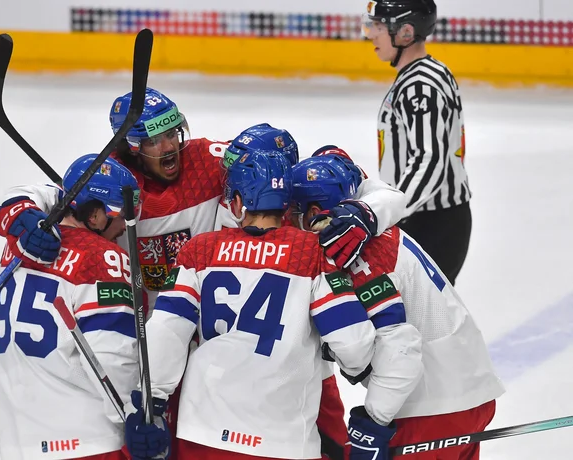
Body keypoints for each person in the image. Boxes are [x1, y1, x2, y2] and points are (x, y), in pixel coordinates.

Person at [124, 149, 377, 460]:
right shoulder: (311, 254)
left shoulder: (199, 251)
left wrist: (151, 402)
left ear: (240, 202)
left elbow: (167, 332)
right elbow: (354, 349)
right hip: (281, 442)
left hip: (202, 435)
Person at [292, 154, 505, 460]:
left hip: (430, 409)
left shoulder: (352, 253)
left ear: (314, 211)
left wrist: (373, 422)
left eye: (292, 212)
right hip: (466, 391)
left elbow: (401, 353)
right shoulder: (366, 225)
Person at [0, 155, 141, 460]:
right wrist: (136, 418)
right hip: (88, 441)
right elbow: (113, 357)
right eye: (121, 216)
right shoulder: (104, 258)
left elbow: (35, 195)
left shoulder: (17, 246)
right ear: (96, 216)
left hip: (18, 441)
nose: (124, 228)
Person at [362, 0, 472, 284]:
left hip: (431, 224)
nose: (370, 34)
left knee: (416, 324)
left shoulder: (419, 85)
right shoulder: (424, 73)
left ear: (405, 33)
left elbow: (429, 159)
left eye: (379, 27)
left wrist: (386, 211)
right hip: (430, 219)